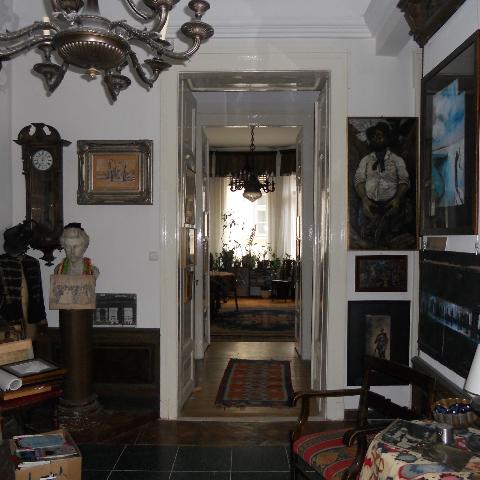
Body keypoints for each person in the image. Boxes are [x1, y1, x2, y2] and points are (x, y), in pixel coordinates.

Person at [353, 122, 413, 249]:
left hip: (391, 206)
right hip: (370, 205)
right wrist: (364, 200)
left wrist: (397, 199)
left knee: (391, 239)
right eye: (374, 136)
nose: (376, 139)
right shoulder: (366, 160)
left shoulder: (397, 160)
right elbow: (359, 180)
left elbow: (404, 181)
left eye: (380, 136)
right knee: (367, 238)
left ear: (387, 138)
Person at [0, 222, 46, 340]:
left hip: (31, 313)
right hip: (9, 316)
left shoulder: (33, 262)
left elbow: (38, 292)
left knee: (30, 345)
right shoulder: (1, 263)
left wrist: (42, 317)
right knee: (14, 347)